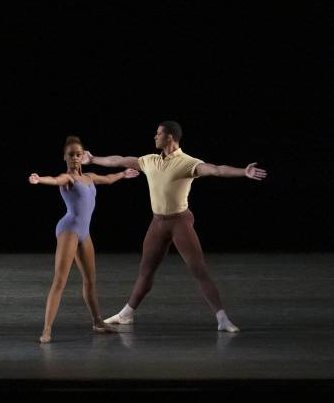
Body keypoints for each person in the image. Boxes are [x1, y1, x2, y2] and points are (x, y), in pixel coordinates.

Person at [85, 121, 267, 333]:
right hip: (157, 223)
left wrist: (243, 172)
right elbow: (118, 160)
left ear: (170, 137)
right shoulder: (149, 160)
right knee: (146, 271)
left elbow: (216, 170)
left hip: (179, 222)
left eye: (158, 133)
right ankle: (126, 314)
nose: (155, 136)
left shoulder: (187, 162)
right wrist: (93, 159)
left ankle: (223, 319)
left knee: (199, 270)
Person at [27, 136, 137, 342]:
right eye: (71, 155)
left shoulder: (89, 177)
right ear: (65, 157)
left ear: (83, 155)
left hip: (84, 233)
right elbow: (55, 180)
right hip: (69, 230)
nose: (75, 158)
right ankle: (46, 330)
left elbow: (108, 179)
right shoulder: (68, 178)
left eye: (78, 154)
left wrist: (123, 174)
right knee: (60, 281)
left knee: (90, 280)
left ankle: (97, 321)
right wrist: (39, 179)